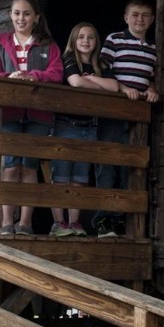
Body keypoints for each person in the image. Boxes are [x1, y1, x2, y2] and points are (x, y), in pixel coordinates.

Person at [0, 0, 62, 235]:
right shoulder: (0, 45)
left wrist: (33, 76)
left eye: (27, 13)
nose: (21, 18)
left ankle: (26, 223)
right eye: (17, 13)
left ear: (36, 17)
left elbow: (56, 73)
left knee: (29, 167)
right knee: (9, 167)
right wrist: (9, 78)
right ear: (10, 15)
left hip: (38, 114)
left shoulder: (48, 45)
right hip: (8, 113)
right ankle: (7, 222)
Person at [93, 0, 158, 238]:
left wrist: (151, 89)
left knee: (129, 169)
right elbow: (102, 68)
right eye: (135, 14)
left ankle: (122, 222)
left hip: (136, 116)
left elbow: (150, 76)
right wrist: (121, 89)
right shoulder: (115, 39)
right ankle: (103, 222)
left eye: (144, 15)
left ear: (151, 20)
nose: (139, 19)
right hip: (113, 111)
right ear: (126, 17)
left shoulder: (152, 49)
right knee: (107, 166)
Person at [50, 22, 119, 237]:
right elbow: (76, 83)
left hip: (88, 126)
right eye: (81, 37)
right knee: (61, 175)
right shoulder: (69, 59)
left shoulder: (101, 63)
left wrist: (93, 79)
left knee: (79, 177)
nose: (86, 41)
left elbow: (114, 86)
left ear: (96, 41)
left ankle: (75, 223)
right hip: (65, 124)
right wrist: (97, 84)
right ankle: (59, 223)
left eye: (90, 37)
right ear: (74, 40)